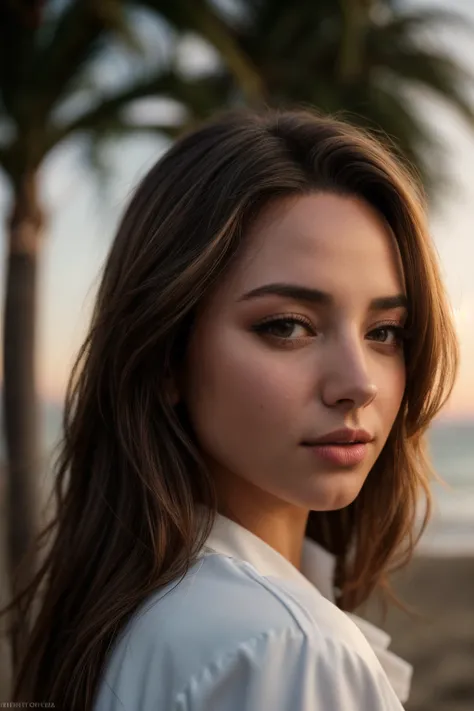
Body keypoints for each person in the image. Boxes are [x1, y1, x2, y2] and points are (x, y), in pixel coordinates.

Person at [3, 107, 458, 710]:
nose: (358, 383)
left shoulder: (138, 613)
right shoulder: (285, 650)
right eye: (287, 326)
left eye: (385, 332)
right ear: (166, 356)